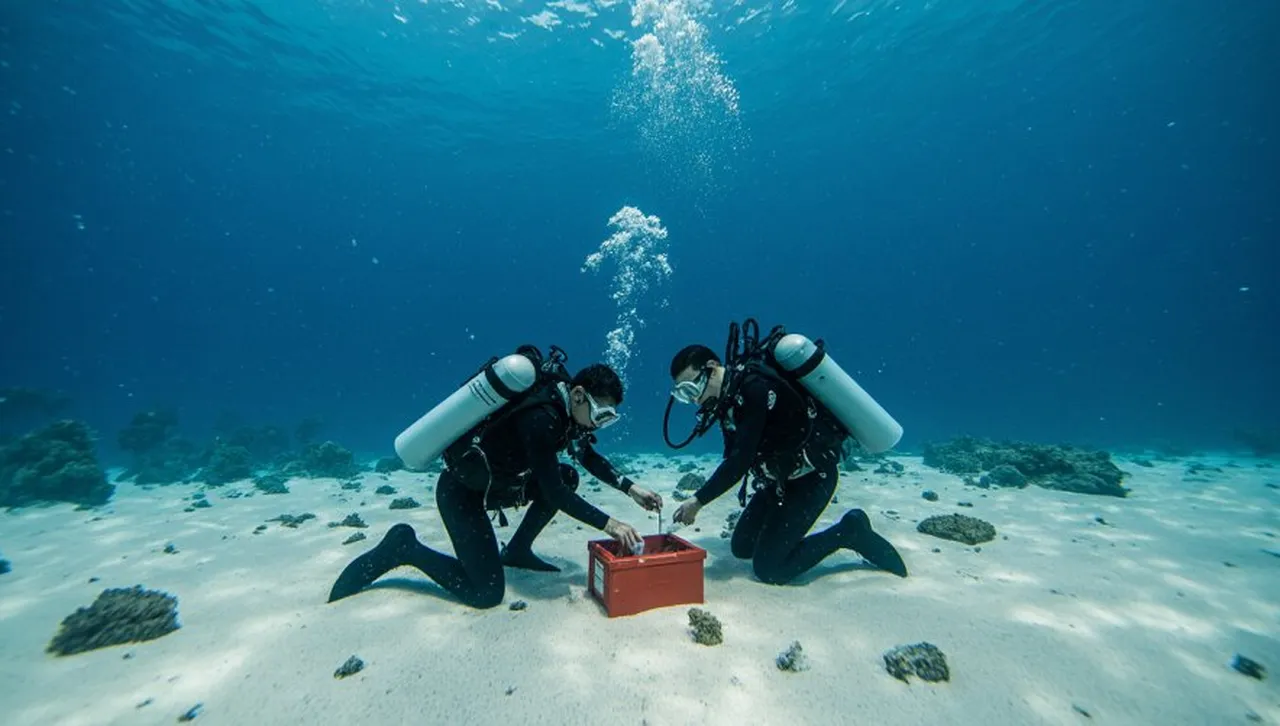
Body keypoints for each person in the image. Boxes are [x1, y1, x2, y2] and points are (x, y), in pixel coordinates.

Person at [328, 360, 661, 609]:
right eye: (601, 415)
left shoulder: (564, 411)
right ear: (577, 394)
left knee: (567, 474)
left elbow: (585, 456)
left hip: (501, 485)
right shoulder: (542, 418)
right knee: (485, 594)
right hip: (462, 493)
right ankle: (404, 548)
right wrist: (610, 523)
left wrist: (631, 489)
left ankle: (516, 551)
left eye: (609, 419)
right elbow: (556, 495)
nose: (601, 425)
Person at [665, 327, 908, 585]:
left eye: (693, 388)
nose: (694, 400)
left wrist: (698, 501)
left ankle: (850, 531)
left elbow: (740, 460)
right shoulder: (727, 402)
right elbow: (737, 456)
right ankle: (784, 536)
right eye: (685, 395)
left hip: (812, 479)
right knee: (742, 548)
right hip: (778, 482)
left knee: (770, 569)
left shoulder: (754, 388)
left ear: (712, 367)